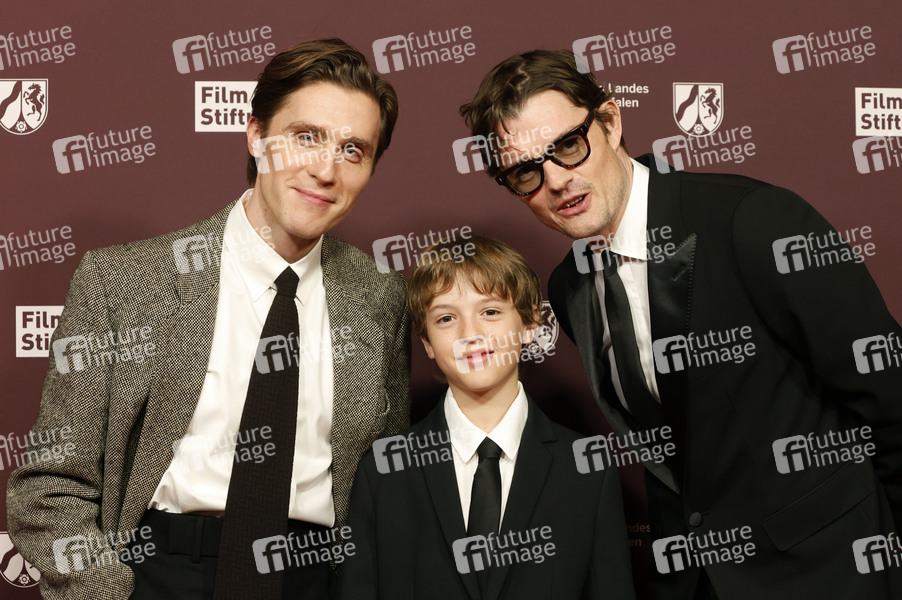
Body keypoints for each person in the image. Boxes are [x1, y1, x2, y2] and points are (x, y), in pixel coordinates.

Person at [459, 49, 902, 599]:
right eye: (526, 171)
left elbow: (888, 397)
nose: (556, 181)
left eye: (569, 146)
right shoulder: (570, 287)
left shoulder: (752, 221)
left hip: (830, 572)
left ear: (610, 122)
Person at [6, 38, 410, 600]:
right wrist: (108, 592)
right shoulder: (124, 281)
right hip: (160, 574)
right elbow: (49, 488)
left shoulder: (380, 298)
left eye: (352, 150)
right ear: (255, 135)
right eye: (306, 137)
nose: (325, 169)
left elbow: (385, 491)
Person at [335, 236, 635, 599]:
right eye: (446, 318)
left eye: (490, 312)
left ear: (530, 323)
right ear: (427, 342)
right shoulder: (384, 471)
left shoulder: (587, 469)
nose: (470, 335)